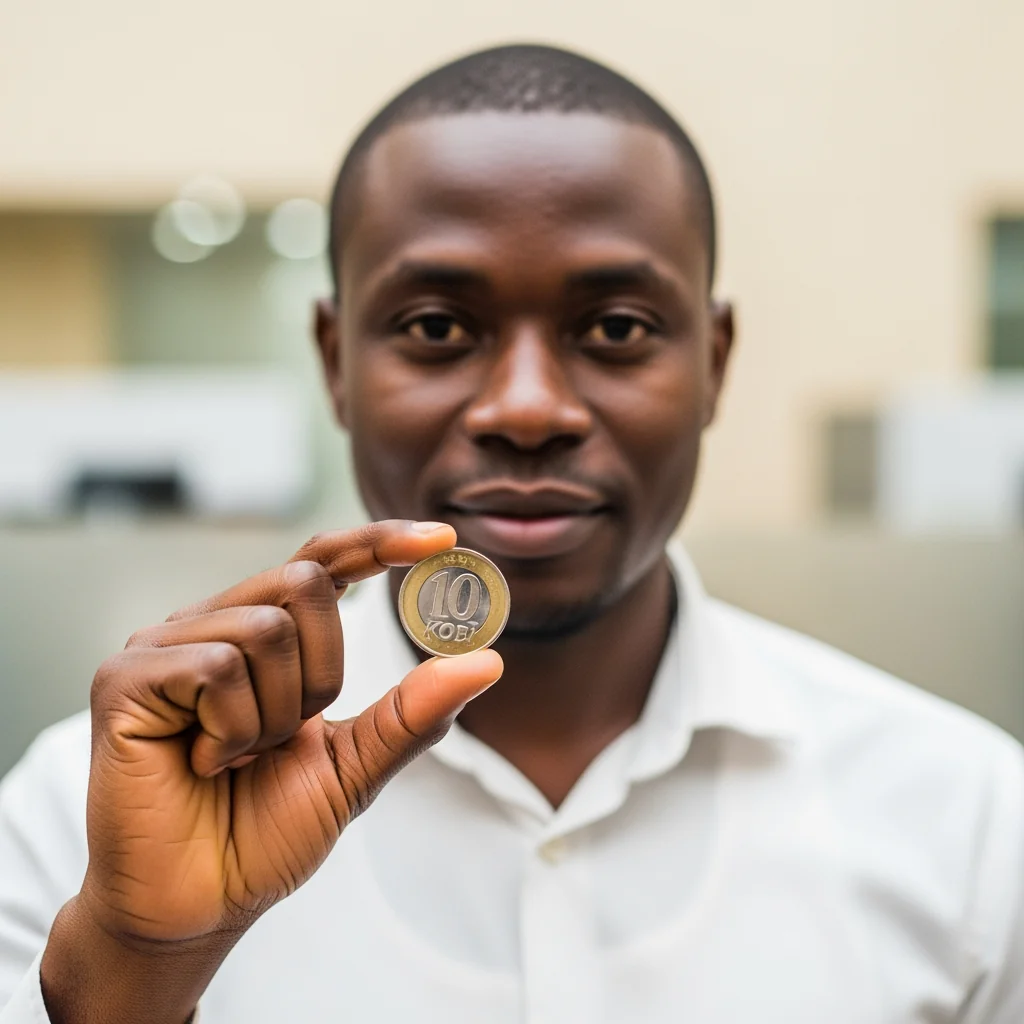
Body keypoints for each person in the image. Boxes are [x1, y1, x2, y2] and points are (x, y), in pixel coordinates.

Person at [1, 43, 1022, 1024]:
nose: (527, 409)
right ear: (334, 361)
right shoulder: (89, 812)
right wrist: (135, 973)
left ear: (713, 362)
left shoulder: (967, 819)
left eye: (616, 328)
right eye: (436, 327)